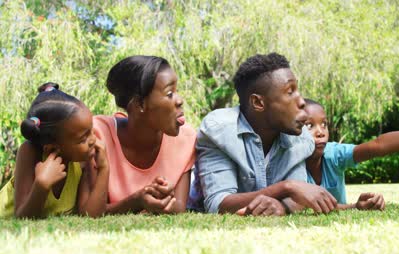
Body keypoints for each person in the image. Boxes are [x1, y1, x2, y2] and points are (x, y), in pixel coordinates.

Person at [188, 53, 337, 216]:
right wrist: (286, 187)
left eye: (297, 90)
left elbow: (298, 198)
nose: (302, 101)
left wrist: (283, 207)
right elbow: (217, 203)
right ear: (258, 102)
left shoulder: (300, 138)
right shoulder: (219, 130)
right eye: (290, 91)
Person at [94, 55, 196, 214]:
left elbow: (179, 208)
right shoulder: (99, 134)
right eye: (170, 93)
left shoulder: (186, 139)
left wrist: (167, 199)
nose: (180, 100)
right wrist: (137, 200)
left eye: (177, 91)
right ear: (140, 104)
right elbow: (88, 212)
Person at [0, 83, 109, 218]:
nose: (93, 140)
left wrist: (104, 169)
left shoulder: (84, 159)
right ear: (52, 148)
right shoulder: (30, 152)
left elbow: (90, 215)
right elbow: (22, 218)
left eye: (91, 131)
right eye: (83, 138)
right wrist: (42, 184)